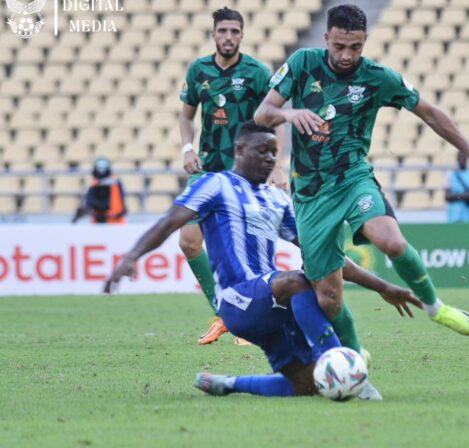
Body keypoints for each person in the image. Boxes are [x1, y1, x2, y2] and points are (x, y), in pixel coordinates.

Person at [254, 4, 469, 353]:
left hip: (353, 178)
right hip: (311, 193)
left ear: (365, 41)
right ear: (327, 37)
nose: (347, 55)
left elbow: (430, 113)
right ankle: (357, 357)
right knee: (328, 298)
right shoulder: (301, 64)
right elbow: (262, 113)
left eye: (355, 47)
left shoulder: (377, 77)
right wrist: (291, 112)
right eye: (339, 46)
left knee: (391, 241)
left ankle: (435, 307)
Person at [104, 123, 420, 400]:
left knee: (306, 386)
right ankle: (345, 368)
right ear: (240, 150)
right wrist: (132, 256)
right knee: (299, 281)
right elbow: (169, 222)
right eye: (262, 150)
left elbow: (325, 256)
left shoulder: (276, 199)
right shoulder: (215, 185)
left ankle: (229, 384)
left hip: (273, 308)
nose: (270, 158)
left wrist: (383, 287)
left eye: (274, 151)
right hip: (237, 300)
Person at [178, 7, 287, 345]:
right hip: (209, 170)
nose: (228, 37)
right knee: (188, 239)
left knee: (250, 251)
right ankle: (222, 312)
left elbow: (275, 119)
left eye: (234, 31)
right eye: (223, 31)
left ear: (242, 35)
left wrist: (277, 165)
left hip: (246, 174)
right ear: (214, 33)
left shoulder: (256, 72)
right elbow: (186, 115)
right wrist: (187, 148)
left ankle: (252, 321)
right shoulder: (199, 71)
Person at [72, 157, 127, 224]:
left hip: (115, 223)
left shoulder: (115, 182)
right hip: (98, 222)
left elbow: (121, 204)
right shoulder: (94, 184)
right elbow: (89, 203)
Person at [445, 152, 469, 222]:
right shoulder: (450, 174)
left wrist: (457, 196)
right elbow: (447, 196)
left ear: (467, 159)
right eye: (460, 158)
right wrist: (466, 196)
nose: (462, 160)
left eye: (464, 158)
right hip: (454, 216)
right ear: (457, 159)